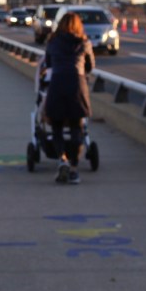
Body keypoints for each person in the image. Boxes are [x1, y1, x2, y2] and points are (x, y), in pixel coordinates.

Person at [43, 12, 95, 184]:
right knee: (76, 127)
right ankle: (73, 169)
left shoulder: (53, 41)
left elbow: (48, 64)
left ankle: (62, 159)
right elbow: (90, 66)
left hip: (57, 83)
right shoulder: (83, 42)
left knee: (56, 126)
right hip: (77, 85)